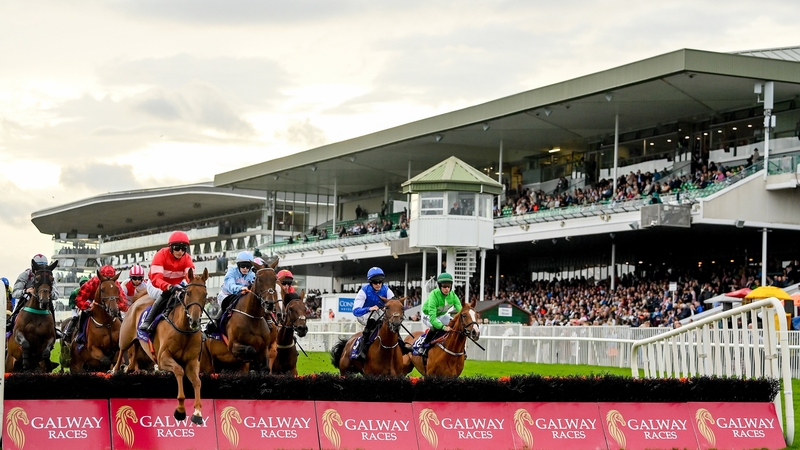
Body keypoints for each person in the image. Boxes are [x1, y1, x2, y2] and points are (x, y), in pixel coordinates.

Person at [138, 231, 195, 333]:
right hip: (155, 285)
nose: (180, 252)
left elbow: (189, 277)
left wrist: (193, 284)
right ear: (170, 247)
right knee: (167, 293)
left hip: (174, 285)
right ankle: (148, 321)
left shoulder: (187, 258)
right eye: (177, 248)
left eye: (183, 249)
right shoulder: (160, 255)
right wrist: (168, 286)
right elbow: (156, 279)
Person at [64, 265, 128, 343]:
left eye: (111, 278)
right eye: (105, 278)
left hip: (109, 301)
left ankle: (125, 336)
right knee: (83, 314)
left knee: (119, 314)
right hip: (92, 300)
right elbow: (79, 299)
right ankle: (79, 335)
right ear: (100, 277)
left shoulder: (115, 284)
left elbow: (124, 302)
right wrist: (87, 306)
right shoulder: (93, 281)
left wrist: (118, 306)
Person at [8, 254, 62, 337]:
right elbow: (15, 293)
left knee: (49, 303)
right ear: (33, 268)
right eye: (38, 268)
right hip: (26, 298)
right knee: (21, 301)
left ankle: (53, 329)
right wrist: (26, 291)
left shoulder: (48, 276)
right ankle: (11, 324)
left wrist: (48, 293)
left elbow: (56, 295)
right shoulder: (25, 274)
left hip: (43, 298)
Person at [351, 267, 395, 360]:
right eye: (375, 282)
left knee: (392, 323)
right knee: (372, 321)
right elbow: (355, 311)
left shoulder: (386, 289)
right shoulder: (363, 291)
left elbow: (394, 302)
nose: (378, 284)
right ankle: (361, 350)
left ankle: (401, 345)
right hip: (364, 315)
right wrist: (369, 308)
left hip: (379, 312)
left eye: (380, 282)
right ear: (370, 282)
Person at [419, 272, 462, 356]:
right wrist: (443, 327)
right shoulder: (433, 295)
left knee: (455, 324)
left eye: (449, 286)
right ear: (439, 286)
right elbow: (433, 319)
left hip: (441, 315)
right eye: (444, 286)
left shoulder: (453, 295)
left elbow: (460, 310)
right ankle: (423, 345)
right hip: (428, 315)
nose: (447, 289)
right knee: (436, 327)